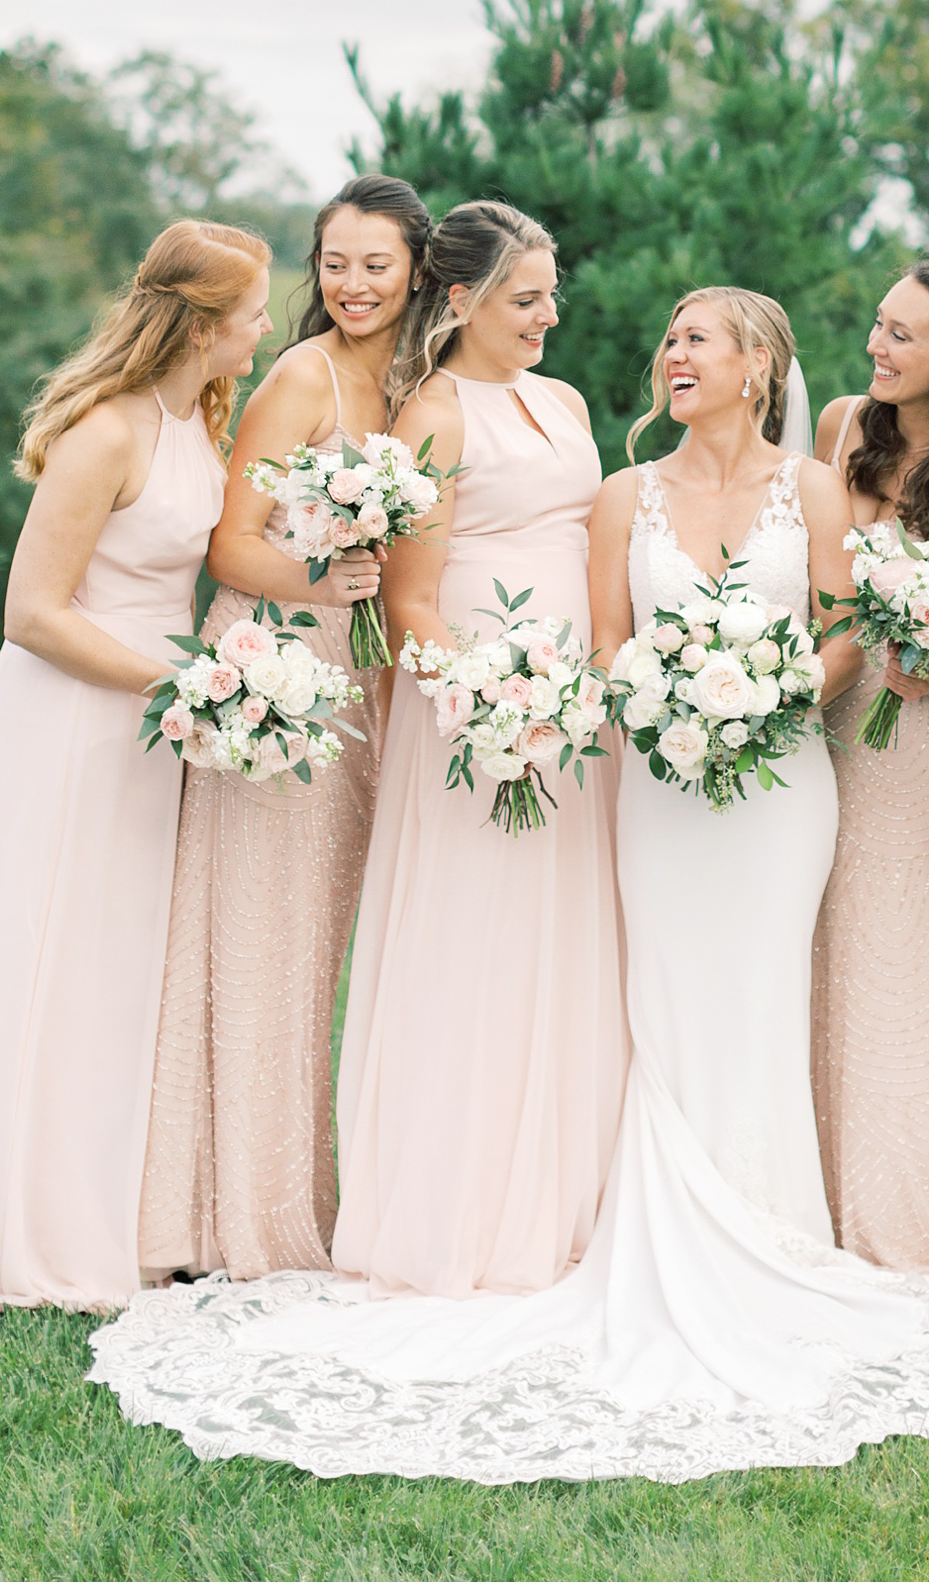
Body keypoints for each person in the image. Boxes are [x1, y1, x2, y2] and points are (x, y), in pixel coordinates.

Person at [87, 289, 929, 1481]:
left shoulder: (813, 489)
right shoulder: (621, 495)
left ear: (757, 366)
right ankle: (645, 1240)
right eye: (663, 339)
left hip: (779, 787)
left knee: (758, 1003)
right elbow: (608, 642)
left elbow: (842, 626)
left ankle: (771, 1238)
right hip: (657, 785)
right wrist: (667, 698)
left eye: (694, 340)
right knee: (658, 1002)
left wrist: (770, 694)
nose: (670, 355)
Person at [0, 222, 272, 1316]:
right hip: (67, 719)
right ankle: (0, 1237)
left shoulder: (200, 418)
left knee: (111, 965)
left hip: (145, 720)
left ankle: (90, 1218)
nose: (265, 327)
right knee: (37, 958)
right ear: (198, 321)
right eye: (251, 311)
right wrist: (180, 684)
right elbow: (32, 613)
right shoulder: (106, 431)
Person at [139, 177, 433, 1282]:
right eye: (335, 263)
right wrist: (329, 570)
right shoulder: (300, 377)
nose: (351, 285)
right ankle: (229, 1218)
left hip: (361, 686)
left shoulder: (408, 383)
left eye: (375, 265)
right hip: (278, 672)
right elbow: (230, 544)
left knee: (322, 949)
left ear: (414, 270)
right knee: (263, 942)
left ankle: (309, 1192)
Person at [333, 201, 621, 1294]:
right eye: (525, 296)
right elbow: (410, 602)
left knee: (563, 935)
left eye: (551, 291)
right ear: (459, 301)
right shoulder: (434, 416)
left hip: (570, 713)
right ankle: (460, 1207)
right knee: (475, 938)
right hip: (476, 721)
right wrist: (487, 709)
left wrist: (580, 686)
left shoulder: (563, 397)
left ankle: (565, 1196)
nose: (549, 312)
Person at [810, 259, 929, 1267]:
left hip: (913, 726)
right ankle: (812, 1184)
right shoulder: (844, 427)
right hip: (817, 710)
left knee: (895, 937)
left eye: (901, 334)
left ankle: (905, 1205)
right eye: (877, 324)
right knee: (816, 932)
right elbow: (809, 575)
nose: (877, 346)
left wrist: (925, 646)